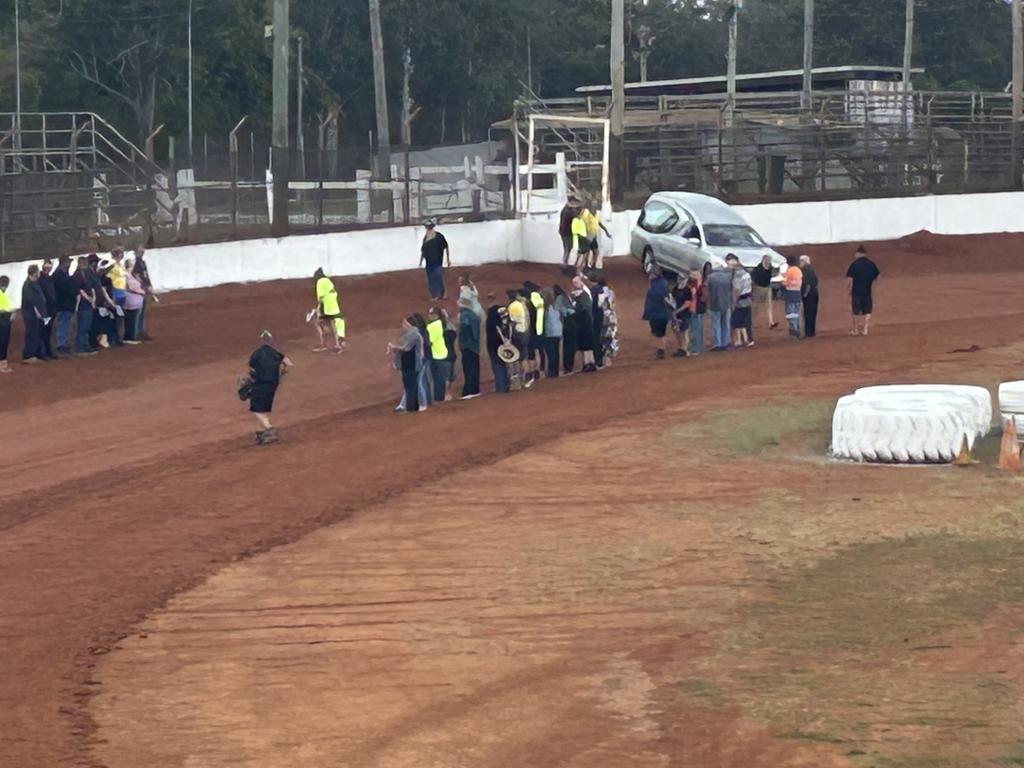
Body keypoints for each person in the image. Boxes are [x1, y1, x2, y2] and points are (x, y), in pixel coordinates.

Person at [246, 330, 294, 444]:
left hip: (262, 383)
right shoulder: (274, 352)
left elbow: (251, 369)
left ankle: (269, 428)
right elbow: (288, 362)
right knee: (260, 407)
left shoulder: (257, 353)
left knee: (256, 408)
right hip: (273, 384)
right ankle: (262, 430)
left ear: (261, 340)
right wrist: (282, 371)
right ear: (270, 340)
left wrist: (252, 378)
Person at [388, 317, 425, 413]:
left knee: (411, 386)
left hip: (412, 364)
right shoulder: (409, 334)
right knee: (409, 386)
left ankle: (412, 407)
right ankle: (411, 406)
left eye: (405, 323)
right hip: (408, 364)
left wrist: (394, 347)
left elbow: (406, 348)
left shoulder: (413, 334)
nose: (403, 325)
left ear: (410, 324)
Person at [846, 245, 880, 336]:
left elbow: (850, 279)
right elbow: (877, 277)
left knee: (855, 310)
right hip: (867, 290)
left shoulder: (854, 264)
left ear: (859, 253)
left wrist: (849, 289)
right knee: (867, 310)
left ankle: (855, 329)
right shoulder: (871, 264)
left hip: (856, 291)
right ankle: (865, 329)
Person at [457, 284, 482, 400]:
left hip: (469, 347)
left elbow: (474, 334)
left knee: (470, 368)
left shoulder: (469, 316)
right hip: (470, 346)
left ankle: (472, 390)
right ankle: (471, 389)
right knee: (471, 368)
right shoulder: (470, 316)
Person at [312, 268, 345, 353]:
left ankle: (324, 344)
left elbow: (321, 297)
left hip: (326, 306)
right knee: (333, 324)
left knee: (319, 322)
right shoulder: (328, 281)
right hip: (333, 305)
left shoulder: (320, 282)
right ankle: (337, 345)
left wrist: (318, 308)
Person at [642, 268, 672, 359]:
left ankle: (660, 350)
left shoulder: (656, 285)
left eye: (651, 274)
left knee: (658, 333)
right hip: (662, 312)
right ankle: (661, 349)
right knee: (660, 333)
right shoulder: (663, 283)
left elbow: (659, 298)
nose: (649, 276)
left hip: (657, 313)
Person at [21, 265, 48, 364]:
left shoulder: (34, 283)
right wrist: (38, 313)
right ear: (35, 272)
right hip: (31, 315)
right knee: (32, 333)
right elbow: (31, 302)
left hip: (36, 314)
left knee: (36, 333)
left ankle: (35, 354)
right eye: (38, 271)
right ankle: (29, 355)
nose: (39, 273)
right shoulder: (28, 285)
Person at [426, 306, 452, 403]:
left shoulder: (435, 325)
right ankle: (438, 397)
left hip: (438, 354)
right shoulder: (440, 323)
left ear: (437, 316)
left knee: (438, 378)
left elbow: (430, 341)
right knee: (438, 377)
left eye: (433, 314)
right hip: (439, 354)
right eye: (430, 314)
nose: (430, 316)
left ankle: (438, 398)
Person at [571, 276, 597, 372]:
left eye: (576, 283)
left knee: (586, 344)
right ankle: (589, 362)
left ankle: (588, 363)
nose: (574, 285)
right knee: (587, 345)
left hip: (584, 323)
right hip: (585, 323)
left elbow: (583, 309)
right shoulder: (583, 294)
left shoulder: (582, 296)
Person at [419, 219, 450, 300]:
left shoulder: (437, 236)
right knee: (434, 278)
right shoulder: (427, 238)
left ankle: (438, 294)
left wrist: (448, 259)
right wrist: (421, 261)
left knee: (436, 277)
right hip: (430, 261)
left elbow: (446, 247)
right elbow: (423, 251)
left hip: (436, 261)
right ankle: (437, 294)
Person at [53, 256, 77, 356]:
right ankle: (61, 345)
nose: (70, 264)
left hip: (65, 304)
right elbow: (66, 290)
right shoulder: (60, 275)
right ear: (64, 263)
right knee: (63, 324)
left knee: (65, 324)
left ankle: (63, 344)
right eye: (68, 262)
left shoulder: (62, 274)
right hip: (63, 304)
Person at [706, 262, 734, 351]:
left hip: (714, 303)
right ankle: (725, 342)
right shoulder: (727, 277)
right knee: (726, 323)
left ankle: (717, 343)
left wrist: (708, 302)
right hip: (726, 303)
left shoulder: (710, 277)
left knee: (716, 324)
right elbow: (731, 289)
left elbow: (706, 290)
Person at [728, 254, 754, 348]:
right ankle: (746, 339)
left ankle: (738, 341)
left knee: (735, 322)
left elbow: (737, 290)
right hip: (748, 298)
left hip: (740, 300)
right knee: (744, 321)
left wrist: (734, 302)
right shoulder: (746, 274)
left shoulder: (738, 275)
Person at [73, 257, 98, 356]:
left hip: (89, 303)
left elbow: (91, 287)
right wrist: (89, 299)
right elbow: (80, 290)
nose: (85, 264)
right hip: (83, 304)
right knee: (82, 327)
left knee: (87, 326)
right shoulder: (77, 275)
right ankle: (79, 348)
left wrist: (93, 298)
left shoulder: (87, 274)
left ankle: (86, 345)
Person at [485, 301, 511, 394]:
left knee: (497, 366)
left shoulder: (490, 322)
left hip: (493, 346)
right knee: (503, 365)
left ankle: (501, 387)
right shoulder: (502, 323)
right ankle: (504, 385)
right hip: (503, 346)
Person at [506, 289, 529, 388]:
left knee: (514, 356)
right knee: (523, 357)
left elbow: (512, 322)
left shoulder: (512, 306)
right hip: (524, 332)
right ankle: (524, 378)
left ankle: (516, 379)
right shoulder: (521, 305)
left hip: (516, 334)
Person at [524, 281, 545, 387]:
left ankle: (532, 372)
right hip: (540, 327)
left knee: (531, 350)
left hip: (532, 328)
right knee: (539, 350)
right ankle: (539, 370)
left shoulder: (530, 300)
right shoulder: (540, 298)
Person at [580, 199, 612, 271]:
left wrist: (606, 231)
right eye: (593, 205)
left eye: (596, 205)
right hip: (587, 235)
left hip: (593, 235)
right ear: (591, 206)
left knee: (595, 251)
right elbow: (581, 222)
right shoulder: (586, 214)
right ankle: (586, 266)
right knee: (587, 252)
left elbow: (599, 223)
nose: (595, 206)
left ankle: (593, 265)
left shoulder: (596, 214)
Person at [37, 260, 58, 360]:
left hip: (50, 309)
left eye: (49, 267)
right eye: (47, 267)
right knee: (42, 331)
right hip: (44, 309)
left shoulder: (49, 278)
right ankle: (42, 352)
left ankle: (48, 351)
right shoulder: (40, 279)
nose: (48, 269)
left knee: (48, 331)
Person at [132, 245, 155, 341]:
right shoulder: (137, 263)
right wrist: (144, 286)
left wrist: (149, 285)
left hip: (145, 288)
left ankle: (141, 330)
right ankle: (138, 331)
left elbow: (145, 275)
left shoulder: (141, 262)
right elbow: (137, 275)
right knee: (140, 312)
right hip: (142, 289)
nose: (142, 252)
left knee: (143, 311)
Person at [541, 287, 563, 379]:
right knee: (556, 352)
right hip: (558, 332)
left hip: (549, 332)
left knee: (551, 353)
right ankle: (555, 371)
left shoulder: (545, 308)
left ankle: (551, 372)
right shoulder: (556, 305)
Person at [596, 276, 619, 365]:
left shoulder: (600, 293)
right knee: (611, 336)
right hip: (612, 316)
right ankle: (609, 358)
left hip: (603, 317)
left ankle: (603, 358)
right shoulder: (611, 292)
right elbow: (614, 305)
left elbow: (599, 305)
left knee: (603, 336)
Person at [123, 257, 146, 345]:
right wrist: (140, 292)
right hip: (131, 300)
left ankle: (131, 336)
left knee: (133, 319)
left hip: (136, 301)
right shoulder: (126, 275)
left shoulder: (131, 275)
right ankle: (129, 337)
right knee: (131, 319)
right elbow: (129, 287)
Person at [752, 254, 777, 331]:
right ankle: (753, 323)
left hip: (762, 288)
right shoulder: (767, 268)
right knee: (759, 306)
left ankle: (770, 322)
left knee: (760, 306)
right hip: (761, 288)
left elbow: (753, 277)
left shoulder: (759, 268)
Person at [782, 255, 804, 339]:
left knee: (790, 313)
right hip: (798, 293)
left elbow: (785, 282)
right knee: (797, 313)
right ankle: (798, 329)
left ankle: (793, 330)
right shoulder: (799, 270)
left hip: (790, 293)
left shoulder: (789, 271)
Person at [671, 274, 693, 358]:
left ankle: (684, 349)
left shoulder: (687, 290)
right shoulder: (675, 289)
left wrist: (677, 310)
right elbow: (672, 299)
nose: (680, 280)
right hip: (677, 315)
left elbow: (687, 303)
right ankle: (681, 348)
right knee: (676, 331)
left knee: (684, 332)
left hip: (685, 314)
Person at [558, 196, 581, 270]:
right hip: (567, 232)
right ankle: (564, 263)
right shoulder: (568, 211)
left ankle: (565, 263)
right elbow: (576, 217)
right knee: (568, 248)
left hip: (564, 231)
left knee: (567, 248)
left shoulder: (565, 209)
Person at [800, 255, 820, 338]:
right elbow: (816, 281)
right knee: (813, 312)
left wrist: (805, 294)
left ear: (804, 262)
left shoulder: (805, 270)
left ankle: (808, 332)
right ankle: (812, 332)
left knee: (807, 312)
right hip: (815, 293)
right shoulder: (812, 269)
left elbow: (807, 283)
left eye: (801, 261)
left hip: (809, 294)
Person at [689, 267, 707, 356]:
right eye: (691, 274)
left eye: (694, 274)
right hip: (696, 309)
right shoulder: (699, 284)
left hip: (696, 309)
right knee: (698, 328)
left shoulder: (699, 285)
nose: (692, 276)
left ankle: (696, 349)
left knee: (695, 329)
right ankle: (698, 347)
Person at [0, 276, 13, 374]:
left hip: (5, 322)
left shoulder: (3, 295)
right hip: (3, 323)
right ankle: (2, 365)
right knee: (3, 343)